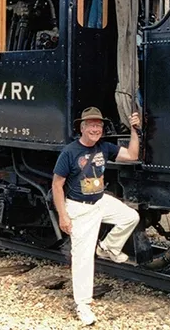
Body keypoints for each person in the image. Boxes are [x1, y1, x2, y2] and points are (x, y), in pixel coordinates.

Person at [52, 106, 141, 326]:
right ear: (82, 127)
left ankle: (108, 247)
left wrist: (134, 130)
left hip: (100, 201)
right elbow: (56, 185)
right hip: (79, 209)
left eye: (99, 125)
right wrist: (63, 215)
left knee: (130, 217)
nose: (95, 129)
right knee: (82, 259)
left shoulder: (104, 147)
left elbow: (132, 155)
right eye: (91, 125)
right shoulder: (70, 152)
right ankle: (83, 305)